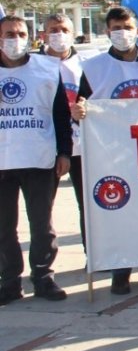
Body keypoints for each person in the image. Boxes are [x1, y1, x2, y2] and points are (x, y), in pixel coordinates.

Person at [73, 7, 138, 295]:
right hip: (111, 152)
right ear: (107, 31)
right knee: (119, 211)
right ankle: (121, 271)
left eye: (127, 26)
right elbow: (80, 108)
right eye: (116, 27)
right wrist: (78, 111)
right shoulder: (94, 67)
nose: (123, 33)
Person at [0, 15, 73, 304]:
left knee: (42, 224)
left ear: (30, 37)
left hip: (39, 159)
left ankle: (43, 277)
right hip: (3, 163)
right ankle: (9, 281)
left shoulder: (46, 68)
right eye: (8, 34)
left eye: (20, 33)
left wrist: (64, 152)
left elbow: (60, 114)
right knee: (4, 226)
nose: (14, 39)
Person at [35, 14, 93, 244]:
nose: (59, 35)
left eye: (64, 30)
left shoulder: (87, 64)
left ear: (72, 34)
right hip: (46, 146)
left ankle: (94, 255)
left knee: (89, 205)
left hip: (82, 145)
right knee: (41, 209)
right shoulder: (34, 65)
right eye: (53, 30)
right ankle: (43, 266)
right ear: (44, 34)